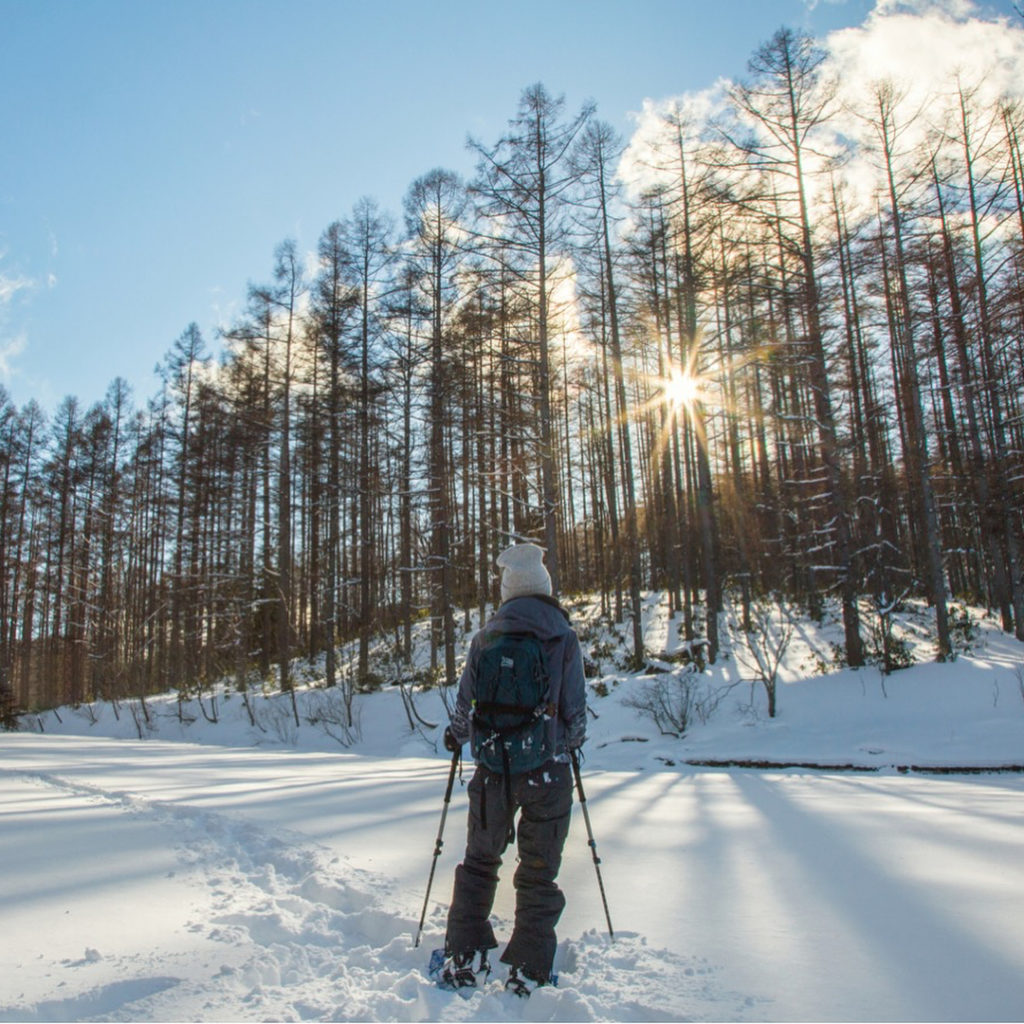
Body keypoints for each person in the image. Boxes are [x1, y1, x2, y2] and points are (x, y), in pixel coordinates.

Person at [440, 542, 587, 997]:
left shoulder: (486, 636)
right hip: (546, 771)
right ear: (543, 587)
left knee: (480, 863)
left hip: (491, 771)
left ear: (507, 590)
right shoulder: (562, 635)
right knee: (539, 869)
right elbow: (575, 711)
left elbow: (465, 704)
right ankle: (527, 967)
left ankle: (464, 954)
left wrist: (456, 736)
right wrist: (569, 743)